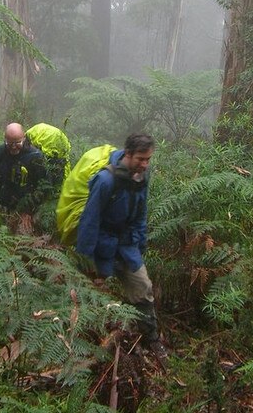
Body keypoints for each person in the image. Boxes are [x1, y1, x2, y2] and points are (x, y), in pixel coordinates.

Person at [75, 133, 167, 363]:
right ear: (127, 154)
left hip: (127, 246)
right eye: (140, 159)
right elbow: (90, 220)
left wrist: (140, 242)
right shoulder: (105, 181)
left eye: (148, 159)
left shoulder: (141, 178)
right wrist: (86, 260)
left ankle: (151, 338)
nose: (144, 164)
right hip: (102, 246)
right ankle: (84, 345)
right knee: (92, 295)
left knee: (143, 287)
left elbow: (141, 212)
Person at [0, 122, 48, 234]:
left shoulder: (35, 156)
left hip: (30, 212)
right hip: (5, 208)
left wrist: (30, 210)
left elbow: (43, 186)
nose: (13, 147)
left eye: (17, 142)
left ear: (24, 138)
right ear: (5, 139)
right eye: (9, 143)